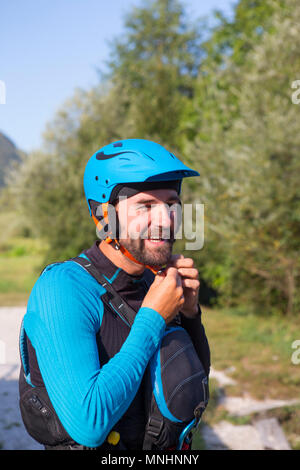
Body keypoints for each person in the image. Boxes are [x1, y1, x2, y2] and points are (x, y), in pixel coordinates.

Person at [19, 139, 210, 450]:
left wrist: (190, 316)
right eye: (146, 206)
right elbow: (88, 425)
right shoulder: (64, 288)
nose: (165, 220)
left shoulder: (154, 282)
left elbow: (193, 386)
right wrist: (152, 318)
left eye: (172, 203)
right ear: (105, 216)